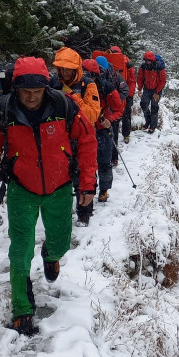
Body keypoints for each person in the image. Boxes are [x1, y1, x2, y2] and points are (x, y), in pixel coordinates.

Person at [0, 56, 97, 335]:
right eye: (25, 92)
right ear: (15, 89)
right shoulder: (3, 112)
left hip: (60, 188)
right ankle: (22, 309)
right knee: (19, 251)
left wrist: (87, 185)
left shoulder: (64, 106)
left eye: (37, 92)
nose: (31, 98)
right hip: (21, 190)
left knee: (61, 244)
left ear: (46, 88)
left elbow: (88, 141)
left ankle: (50, 254)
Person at [52, 47, 101, 226]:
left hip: (83, 137)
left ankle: (84, 212)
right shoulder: (52, 84)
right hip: (59, 138)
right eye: (61, 69)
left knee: (84, 174)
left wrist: (73, 96)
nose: (64, 73)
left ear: (76, 69)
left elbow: (93, 115)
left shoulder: (88, 85)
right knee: (60, 176)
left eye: (68, 69)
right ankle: (59, 211)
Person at [82, 58, 125, 203]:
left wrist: (110, 119)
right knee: (86, 163)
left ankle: (104, 190)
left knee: (104, 161)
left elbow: (120, 108)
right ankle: (88, 190)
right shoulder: (76, 88)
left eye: (91, 75)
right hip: (83, 130)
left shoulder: (107, 87)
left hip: (102, 128)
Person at [94, 54, 128, 166]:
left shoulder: (115, 76)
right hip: (98, 112)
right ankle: (102, 160)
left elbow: (124, 90)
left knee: (113, 135)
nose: (99, 72)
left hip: (112, 110)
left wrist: (114, 100)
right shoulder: (92, 77)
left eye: (101, 69)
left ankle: (114, 157)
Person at [107, 45, 136, 144]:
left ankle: (126, 134)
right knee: (114, 118)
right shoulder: (107, 62)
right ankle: (112, 139)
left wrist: (130, 95)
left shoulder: (127, 62)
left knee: (126, 116)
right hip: (113, 95)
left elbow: (132, 80)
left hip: (125, 93)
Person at [137, 51, 167, 133]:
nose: (147, 62)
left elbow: (163, 80)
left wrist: (157, 92)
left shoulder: (159, 66)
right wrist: (139, 89)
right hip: (147, 89)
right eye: (146, 60)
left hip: (156, 89)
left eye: (149, 60)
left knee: (154, 107)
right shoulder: (144, 66)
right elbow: (140, 78)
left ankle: (153, 126)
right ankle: (148, 121)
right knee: (143, 104)